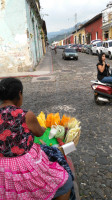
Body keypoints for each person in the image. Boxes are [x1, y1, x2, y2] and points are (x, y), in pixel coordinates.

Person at [0, 77, 74, 200]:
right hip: (22, 167)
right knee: (65, 184)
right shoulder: (25, 115)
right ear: (19, 93)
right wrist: (47, 129)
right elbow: (39, 133)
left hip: (3, 171)